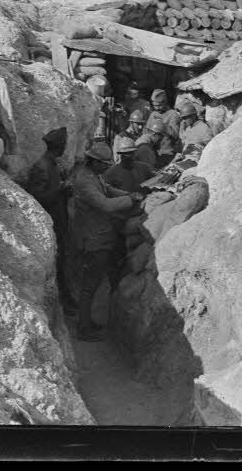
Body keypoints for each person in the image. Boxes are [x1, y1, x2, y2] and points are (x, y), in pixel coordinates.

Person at [70, 139, 143, 341]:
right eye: (104, 164)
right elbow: (105, 205)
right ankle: (84, 329)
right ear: (94, 162)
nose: (107, 168)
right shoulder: (85, 181)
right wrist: (130, 200)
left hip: (98, 236)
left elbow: (108, 189)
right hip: (93, 239)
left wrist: (129, 194)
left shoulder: (93, 175)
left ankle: (87, 323)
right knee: (89, 286)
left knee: (92, 284)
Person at [22, 127, 75, 311]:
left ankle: (66, 300)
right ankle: (63, 305)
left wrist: (65, 191)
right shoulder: (42, 167)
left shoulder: (53, 165)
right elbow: (36, 197)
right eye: (64, 145)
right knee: (57, 265)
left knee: (63, 263)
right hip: (49, 224)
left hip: (58, 222)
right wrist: (60, 190)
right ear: (59, 146)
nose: (65, 148)